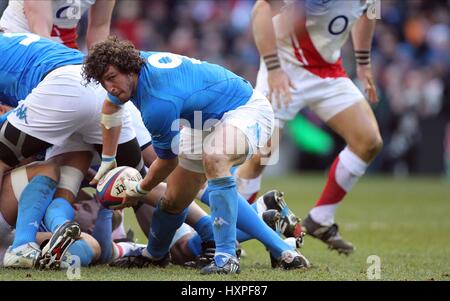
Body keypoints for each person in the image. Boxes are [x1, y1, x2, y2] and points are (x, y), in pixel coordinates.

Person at [83, 37, 309, 274]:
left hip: (244, 108)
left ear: (128, 69)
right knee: (173, 200)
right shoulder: (129, 66)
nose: (109, 88)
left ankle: (227, 257)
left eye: (111, 79)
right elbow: (110, 107)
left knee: (215, 159)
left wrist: (139, 190)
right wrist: (108, 160)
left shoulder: (157, 103)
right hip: (202, 121)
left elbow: (167, 162)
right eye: (103, 82)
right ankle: (154, 255)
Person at [234, 0, 383, 254]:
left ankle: (320, 219)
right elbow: (261, 10)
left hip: (328, 72)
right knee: (261, 155)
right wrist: (273, 68)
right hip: (284, 66)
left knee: (368, 141)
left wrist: (363, 62)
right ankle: (228, 237)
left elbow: (369, 13)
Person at [0, 31, 148, 267]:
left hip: (70, 86)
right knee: (144, 179)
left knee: (91, 245)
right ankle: (197, 235)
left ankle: (31, 243)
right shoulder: (23, 47)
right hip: (91, 88)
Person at [0, 0, 116, 49]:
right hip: (19, 38)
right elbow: (40, 29)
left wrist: (101, 70)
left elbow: (99, 26)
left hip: (65, 43)